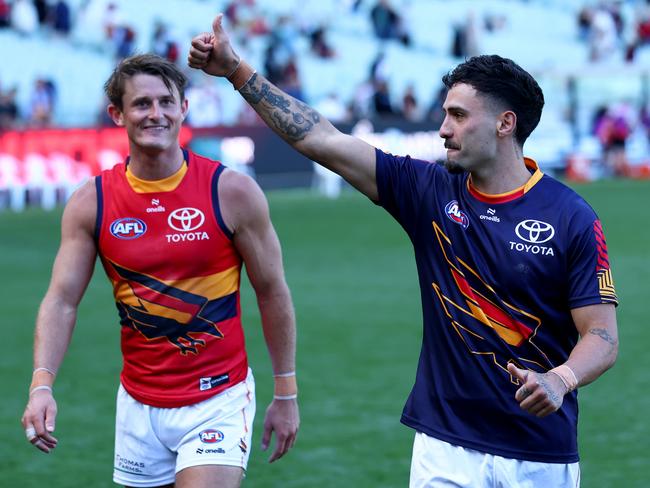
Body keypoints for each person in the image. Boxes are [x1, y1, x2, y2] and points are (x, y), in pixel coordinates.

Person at [188, 15, 619, 487]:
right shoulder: (428, 191)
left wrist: (559, 380)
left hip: (541, 452)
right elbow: (322, 139)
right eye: (444, 114)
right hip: (446, 447)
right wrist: (236, 72)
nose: (442, 129)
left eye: (457, 115)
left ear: (504, 123)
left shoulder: (571, 215)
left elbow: (602, 336)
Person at [21, 53, 299, 488]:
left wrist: (286, 392)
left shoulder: (231, 191)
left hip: (218, 398)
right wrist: (42, 386)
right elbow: (61, 300)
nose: (156, 114)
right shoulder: (90, 202)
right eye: (141, 104)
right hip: (138, 403)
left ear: (184, 108)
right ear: (117, 114)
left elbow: (272, 291)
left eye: (167, 102)